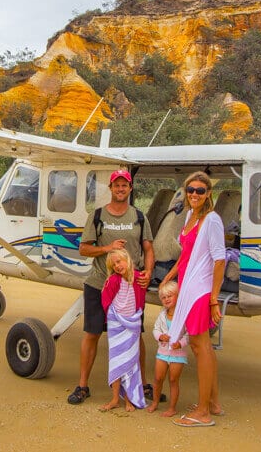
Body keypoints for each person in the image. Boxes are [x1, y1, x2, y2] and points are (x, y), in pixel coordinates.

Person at [67, 169, 155, 405]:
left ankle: (143, 384)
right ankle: (83, 386)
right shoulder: (97, 216)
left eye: (124, 185)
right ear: (111, 188)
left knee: (136, 335)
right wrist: (107, 249)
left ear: (130, 188)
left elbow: (148, 249)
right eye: (116, 186)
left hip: (130, 286)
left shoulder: (139, 216)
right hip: (99, 283)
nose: (120, 189)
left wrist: (147, 272)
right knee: (92, 334)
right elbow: (84, 249)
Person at [162, 171, 225, 427]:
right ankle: (213, 403)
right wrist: (170, 275)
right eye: (191, 190)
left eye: (200, 190)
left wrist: (213, 298)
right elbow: (186, 255)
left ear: (209, 193)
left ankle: (203, 412)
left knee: (201, 348)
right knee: (203, 349)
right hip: (189, 287)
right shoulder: (190, 216)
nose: (195, 194)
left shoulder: (211, 220)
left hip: (200, 291)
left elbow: (220, 259)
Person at [99, 248, 146, 411]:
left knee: (131, 362)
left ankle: (128, 399)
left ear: (127, 259)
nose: (117, 266)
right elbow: (106, 300)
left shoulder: (139, 278)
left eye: (119, 261)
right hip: (117, 326)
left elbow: (141, 299)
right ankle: (114, 399)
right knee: (117, 361)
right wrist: (114, 318)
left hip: (132, 325)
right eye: (114, 264)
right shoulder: (113, 281)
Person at [147, 281, 187, 417]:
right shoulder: (162, 315)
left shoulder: (183, 316)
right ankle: (155, 402)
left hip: (178, 354)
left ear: (178, 296)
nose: (167, 299)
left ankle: (172, 407)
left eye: (170, 296)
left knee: (173, 380)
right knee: (158, 378)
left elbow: (189, 334)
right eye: (163, 298)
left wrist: (180, 343)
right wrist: (160, 337)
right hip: (162, 352)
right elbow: (155, 329)